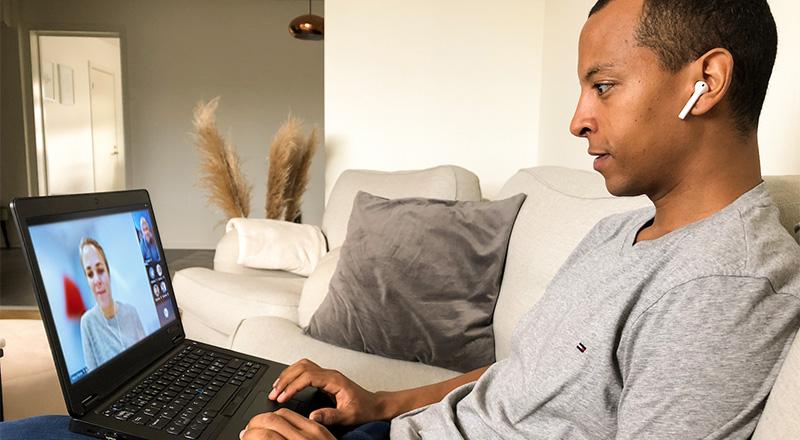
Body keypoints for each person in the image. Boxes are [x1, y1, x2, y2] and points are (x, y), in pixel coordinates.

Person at [241, 0, 800, 439]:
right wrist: (380, 403)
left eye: (602, 86)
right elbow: (526, 374)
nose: (578, 120)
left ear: (706, 83)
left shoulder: (725, 284)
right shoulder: (618, 230)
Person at [79, 238, 146, 371]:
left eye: (100, 270)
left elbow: (148, 356)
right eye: (90, 274)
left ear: (108, 272)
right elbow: (94, 381)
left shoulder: (131, 312)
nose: (97, 280)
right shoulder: (87, 323)